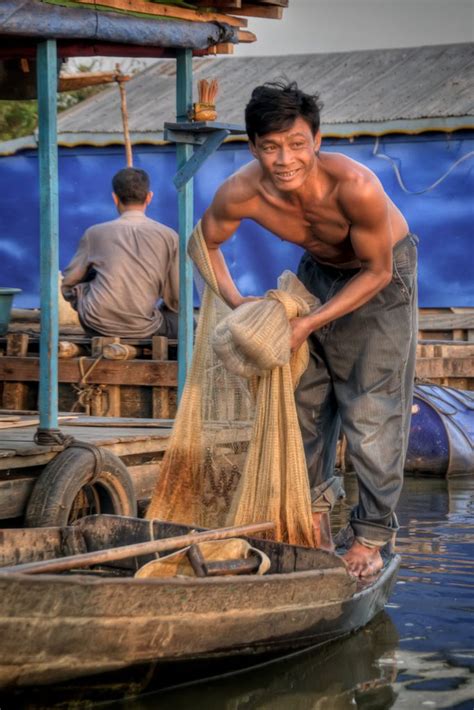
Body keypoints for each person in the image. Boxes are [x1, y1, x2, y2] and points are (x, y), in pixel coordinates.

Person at [200, 81, 418, 577]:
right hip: (317, 274)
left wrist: (310, 324)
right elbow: (204, 244)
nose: (285, 159)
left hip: (381, 278)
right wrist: (237, 302)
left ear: (317, 141)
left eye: (297, 144)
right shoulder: (241, 190)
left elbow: (378, 271)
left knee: (370, 411)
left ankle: (369, 537)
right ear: (253, 146)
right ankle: (313, 519)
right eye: (271, 147)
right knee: (302, 403)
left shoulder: (355, 186)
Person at [62, 167, 179, 339]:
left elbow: (69, 285)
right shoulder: (169, 236)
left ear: (115, 198)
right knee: (185, 322)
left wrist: (80, 299)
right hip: (144, 328)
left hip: (96, 324)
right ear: (149, 197)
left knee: (90, 274)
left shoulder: (94, 233)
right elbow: (176, 298)